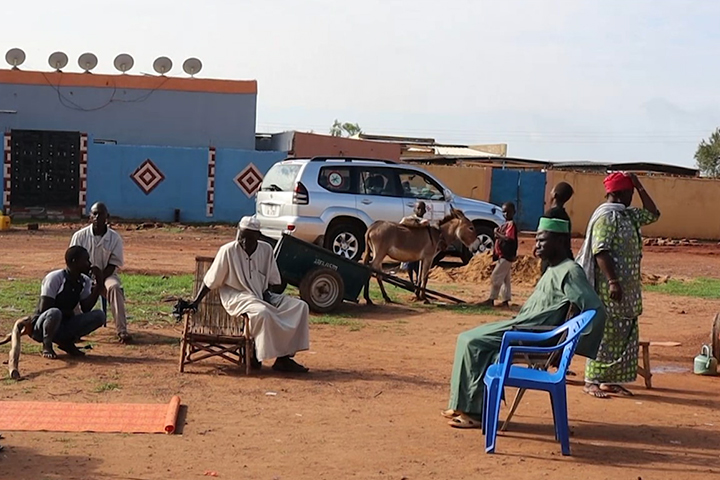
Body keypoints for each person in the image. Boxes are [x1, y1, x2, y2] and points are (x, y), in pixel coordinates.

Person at [444, 218, 606, 428]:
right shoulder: (554, 268)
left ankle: (474, 413)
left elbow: (595, 309)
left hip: (533, 334)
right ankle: (463, 405)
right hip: (522, 326)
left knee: (471, 341)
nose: (536, 245)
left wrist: (567, 347)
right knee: (468, 338)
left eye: (541, 241)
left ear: (559, 241)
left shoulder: (570, 271)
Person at [189, 216, 310, 373]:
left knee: (300, 307)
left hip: (261, 295)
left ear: (258, 237)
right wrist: (195, 301)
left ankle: (284, 359)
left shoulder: (266, 250)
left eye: (249, 238)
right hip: (238, 297)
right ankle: (255, 354)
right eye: (242, 237)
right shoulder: (228, 251)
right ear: (238, 233)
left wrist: (271, 297)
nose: (244, 242)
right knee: (262, 312)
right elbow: (210, 281)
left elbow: (274, 281)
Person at [578, 172, 660, 398]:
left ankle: (609, 380)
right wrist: (613, 281)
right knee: (607, 333)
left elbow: (654, 214)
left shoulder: (628, 216)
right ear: (616, 193)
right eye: (629, 192)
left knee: (624, 333)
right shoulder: (606, 217)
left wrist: (639, 185)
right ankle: (591, 380)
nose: (632, 197)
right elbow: (600, 251)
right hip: (611, 288)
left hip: (629, 288)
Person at [70, 202, 131, 343]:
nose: (97, 217)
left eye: (100, 214)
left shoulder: (114, 238)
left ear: (107, 217)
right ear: (90, 217)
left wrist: (100, 278)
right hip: (83, 277)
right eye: (94, 214)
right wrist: (87, 277)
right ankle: (74, 330)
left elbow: (114, 263)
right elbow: (72, 260)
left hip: (106, 275)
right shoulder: (79, 236)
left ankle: (122, 331)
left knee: (115, 288)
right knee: (71, 289)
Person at [30, 246, 106, 359]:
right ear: (74, 262)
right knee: (55, 312)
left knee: (99, 315)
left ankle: (66, 342)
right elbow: (44, 309)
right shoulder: (55, 278)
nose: (89, 264)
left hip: (64, 324)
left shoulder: (84, 281)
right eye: (86, 260)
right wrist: (67, 313)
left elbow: (86, 308)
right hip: (42, 326)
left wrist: (99, 284)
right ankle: (47, 344)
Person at [481, 202, 518, 307]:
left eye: (508, 212)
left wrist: (497, 234)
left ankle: (491, 299)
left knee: (496, 276)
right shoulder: (504, 225)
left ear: (513, 212)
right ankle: (505, 300)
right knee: (505, 279)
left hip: (506, 255)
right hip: (503, 255)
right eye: (504, 212)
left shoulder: (511, 225)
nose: (505, 214)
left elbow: (509, 239)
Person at [541, 182, 575, 273]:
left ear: (554, 195)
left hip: (550, 260)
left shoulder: (549, 215)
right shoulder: (566, 217)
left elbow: (543, 235)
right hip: (564, 258)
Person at [399, 201, 431, 285]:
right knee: (410, 265)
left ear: (425, 211)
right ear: (414, 210)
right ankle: (411, 281)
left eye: (422, 209)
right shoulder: (408, 219)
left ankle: (418, 281)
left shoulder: (426, 222)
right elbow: (402, 223)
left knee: (417, 266)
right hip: (409, 247)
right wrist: (418, 224)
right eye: (418, 208)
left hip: (419, 248)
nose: (420, 210)